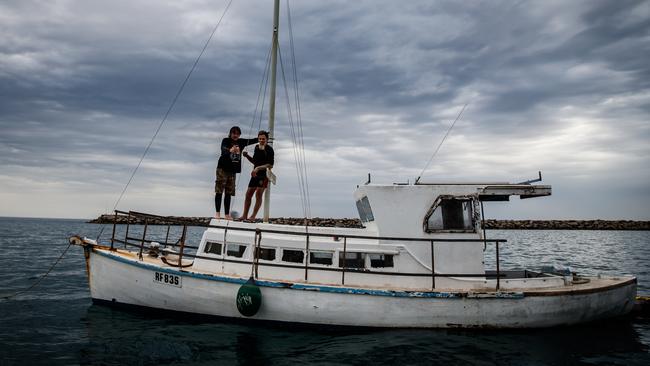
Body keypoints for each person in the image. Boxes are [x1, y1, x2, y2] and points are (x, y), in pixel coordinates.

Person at [215, 126, 258, 220]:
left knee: (228, 193)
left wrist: (263, 137)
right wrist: (230, 150)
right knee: (219, 191)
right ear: (230, 133)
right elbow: (223, 148)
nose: (235, 135)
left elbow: (252, 140)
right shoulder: (225, 140)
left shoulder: (241, 142)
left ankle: (227, 214)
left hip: (232, 170)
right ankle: (217, 213)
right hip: (222, 168)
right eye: (234, 133)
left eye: (237, 134)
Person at [240, 130, 274, 222]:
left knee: (258, 194)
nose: (261, 140)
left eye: (263, 139)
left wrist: (258, 168)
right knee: (248, 194)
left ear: (267, 139)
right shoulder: (256, 147)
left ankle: (253, 216)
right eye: (260, 139)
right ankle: (244, 215)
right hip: (255, 174)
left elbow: (270, 165)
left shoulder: (269, 149)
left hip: (264, 174)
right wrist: (247, 156)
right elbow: (255, 162)